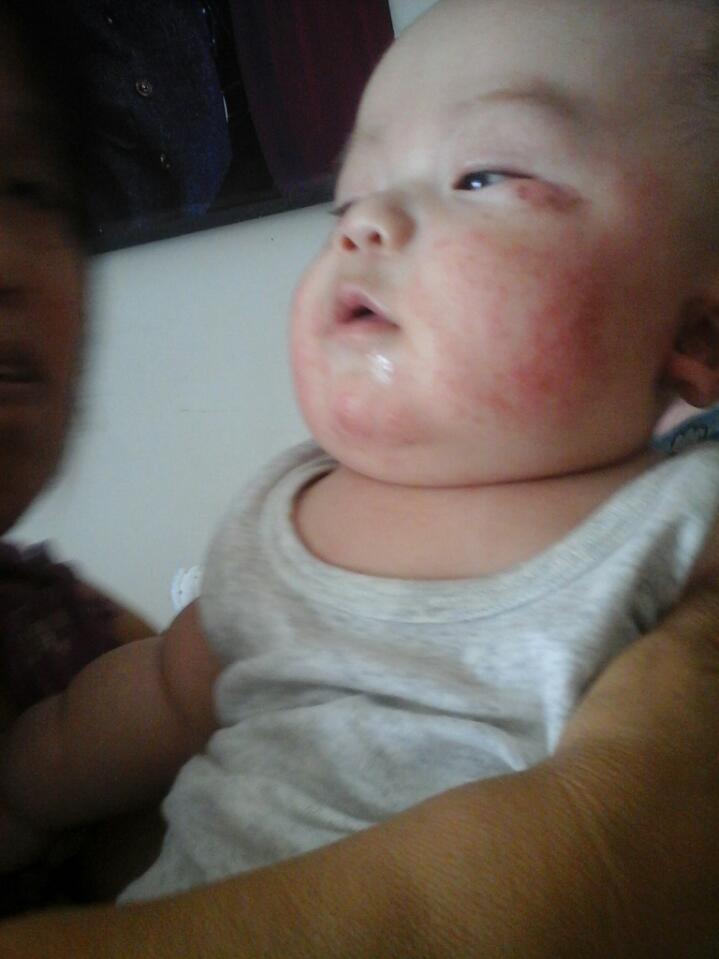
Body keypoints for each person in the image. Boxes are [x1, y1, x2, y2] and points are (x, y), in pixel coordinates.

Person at [5, 0, 719, 954]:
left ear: (696, 333)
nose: (368, 223)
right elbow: (164, 693)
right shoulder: (281, 523)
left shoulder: (680, 519)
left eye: (482, 175)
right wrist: (26, 789)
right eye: (347, 200)